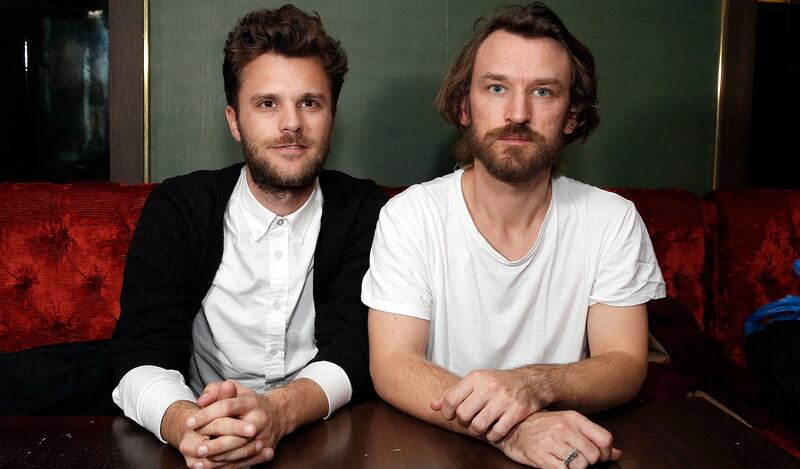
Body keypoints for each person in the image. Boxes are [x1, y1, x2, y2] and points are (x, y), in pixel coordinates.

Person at [363, 3, 665, 468]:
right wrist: (515, 428)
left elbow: (625, 363)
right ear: (465, 105)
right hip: (436, 446)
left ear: (571, 114)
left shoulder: (612, 219)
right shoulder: (409, 216)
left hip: (568, 445)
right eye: (497, 87)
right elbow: (393, 366)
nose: (518, 113)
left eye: (543, 91)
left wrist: (532, 383)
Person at [110, 6, 387, 469]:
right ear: (234, 120)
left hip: (322, 434)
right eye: (267, 103)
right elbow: (141, 350)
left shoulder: (364, 209)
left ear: (331, 117)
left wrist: (277, 412)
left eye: (310, 103)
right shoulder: (180, 206)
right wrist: (190, 429)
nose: (292, 124)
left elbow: (355, 349)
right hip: (200, 427)